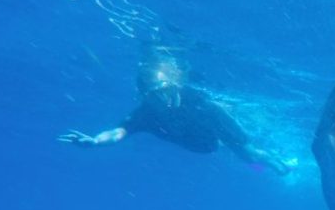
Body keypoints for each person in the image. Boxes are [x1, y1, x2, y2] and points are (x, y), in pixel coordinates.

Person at [59, 48, 293, 174]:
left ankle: (275, 161)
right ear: (145, 97)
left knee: (247, 154)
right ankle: (259, 162)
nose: (162, 99)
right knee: (233, 152)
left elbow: (229, 124)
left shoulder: (198, 100)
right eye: (153, 95)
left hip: (214, 130)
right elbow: (119, 131)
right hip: (198, 145)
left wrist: (241, 141)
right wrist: (95, 141)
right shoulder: (146, 114)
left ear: (175, 86)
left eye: (165, 90)